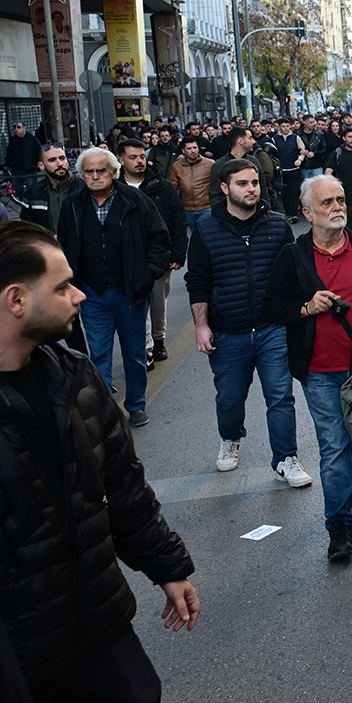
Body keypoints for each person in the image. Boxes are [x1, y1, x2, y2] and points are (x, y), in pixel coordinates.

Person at [0, 221, 199, 702]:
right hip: (22, 657)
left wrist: (167, 566)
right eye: (63, 286)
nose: (79, 296)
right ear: (16, 300)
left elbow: (124, 488)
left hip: (98, 625)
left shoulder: (77, 376)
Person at [262, 175, 352, 560]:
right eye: (327, 203)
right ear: (308, 213)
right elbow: (272, 307)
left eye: (341, 199)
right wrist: (306, 308)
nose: (338, 207)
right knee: (334, 445)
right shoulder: (293, 257)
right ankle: (340, 526)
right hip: (320, 372)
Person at [185, 159, 309, 487]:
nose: (251, 188)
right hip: (227, 331)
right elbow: (196, 279)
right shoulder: (205, 227)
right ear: (225, 188)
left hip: (272, 329)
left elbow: (293, 276)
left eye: (254, 182)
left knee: (281, 395)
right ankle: (230, 437)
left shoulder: (277, 225)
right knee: (229, 398)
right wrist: (201, 325)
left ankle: (285, 458)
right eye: (242, 183)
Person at [55, 148, 171, 429]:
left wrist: (146, 275)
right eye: (89, 172)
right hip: (92, 293)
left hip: (130, 292)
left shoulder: (135, 200)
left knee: (134, 354)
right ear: (81, 175)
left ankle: (136, 405)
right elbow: (64, 245)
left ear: (113, 172)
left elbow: (159, 239)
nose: (95, 176)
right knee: (99, 354)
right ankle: (105, 411)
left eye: (101, 170)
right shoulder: (72, 205)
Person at [117, 140, 185, 364]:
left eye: (142, 157)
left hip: (158, 255)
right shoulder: (115, 189)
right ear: (121, 160)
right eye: (133, 157)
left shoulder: (162, 186)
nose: (139, 161)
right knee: (137, 302)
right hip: (129, 257)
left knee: (158, 301)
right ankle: (144, 348)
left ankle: (158, 340)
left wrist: (177, 252)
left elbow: (177, 219)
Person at [208, 126, 277, 212]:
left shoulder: (254, 162)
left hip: (254, 214)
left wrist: (266, 211)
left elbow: (263, 189)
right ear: (240, 141)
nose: (254, 141)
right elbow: (214, 195)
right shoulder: (220, 165)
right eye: (250, 138)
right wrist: (221, 215)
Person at [19, 141, 74, 232]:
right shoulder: (33, 193)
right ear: (41, 166)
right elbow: (27, 227)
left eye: (62, 158)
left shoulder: (83, 189)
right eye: (52, 160)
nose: (59, 164)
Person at [168, 135, 214, 230]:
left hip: (206, 207)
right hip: (187, 208)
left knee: (205, 233)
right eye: (189, 148)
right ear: (183, 150)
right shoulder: (177, 166)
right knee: (194, 236)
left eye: (195, 147)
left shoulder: (209, 164)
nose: (193, 151)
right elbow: (172, 187)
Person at [269, 118, 307, 224]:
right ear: (279, 127)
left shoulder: (296, 137)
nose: (285, 128)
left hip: (294, 169)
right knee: (285, 193)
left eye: (287, 126)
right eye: (283, 126)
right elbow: (272, 154)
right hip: (281, 170)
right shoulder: (274, 139)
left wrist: (299, 160)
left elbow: (302, 150)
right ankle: (288, 213)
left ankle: (294, 214)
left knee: (294, 192)